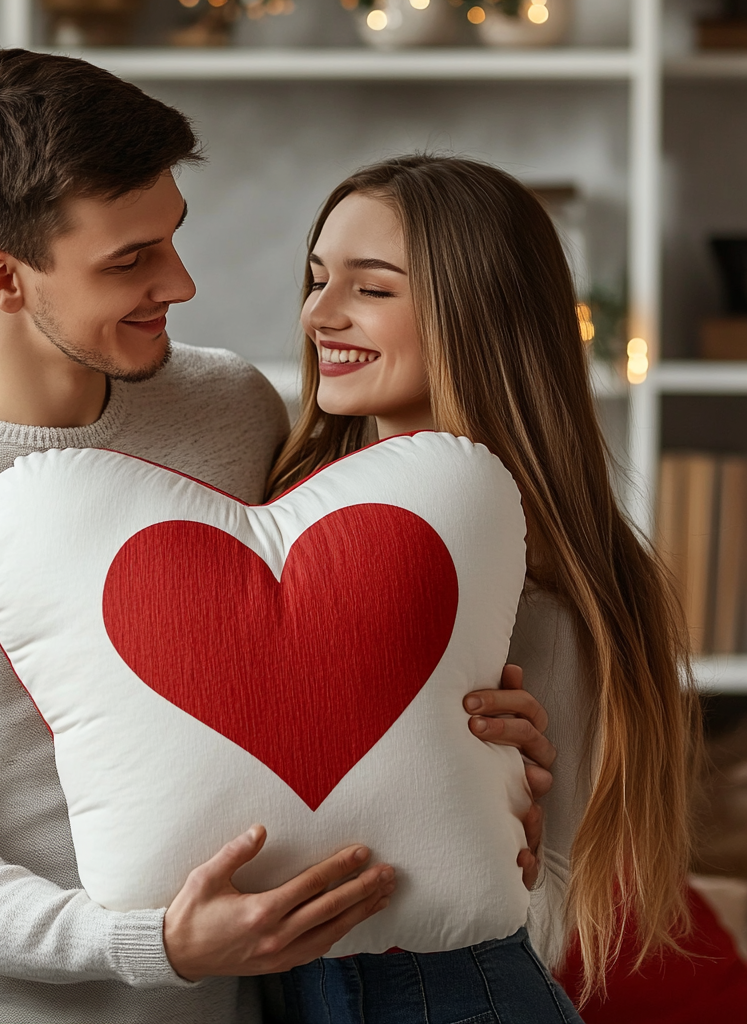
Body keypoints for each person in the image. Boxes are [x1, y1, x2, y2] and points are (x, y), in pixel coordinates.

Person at [0, 52, 555, 1023]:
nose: (178, 283)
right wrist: (150, 943)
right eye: (128, 260)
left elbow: (313, 645)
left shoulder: (226, 405)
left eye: (171, 235)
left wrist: (477, 742)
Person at [265, 154, 702, 1023]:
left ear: (478, 314)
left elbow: (559, 899)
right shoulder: (273, 517)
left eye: (373, 288)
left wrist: (516, 843)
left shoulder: (555, 579)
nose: (320, 313)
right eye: (317, 280)